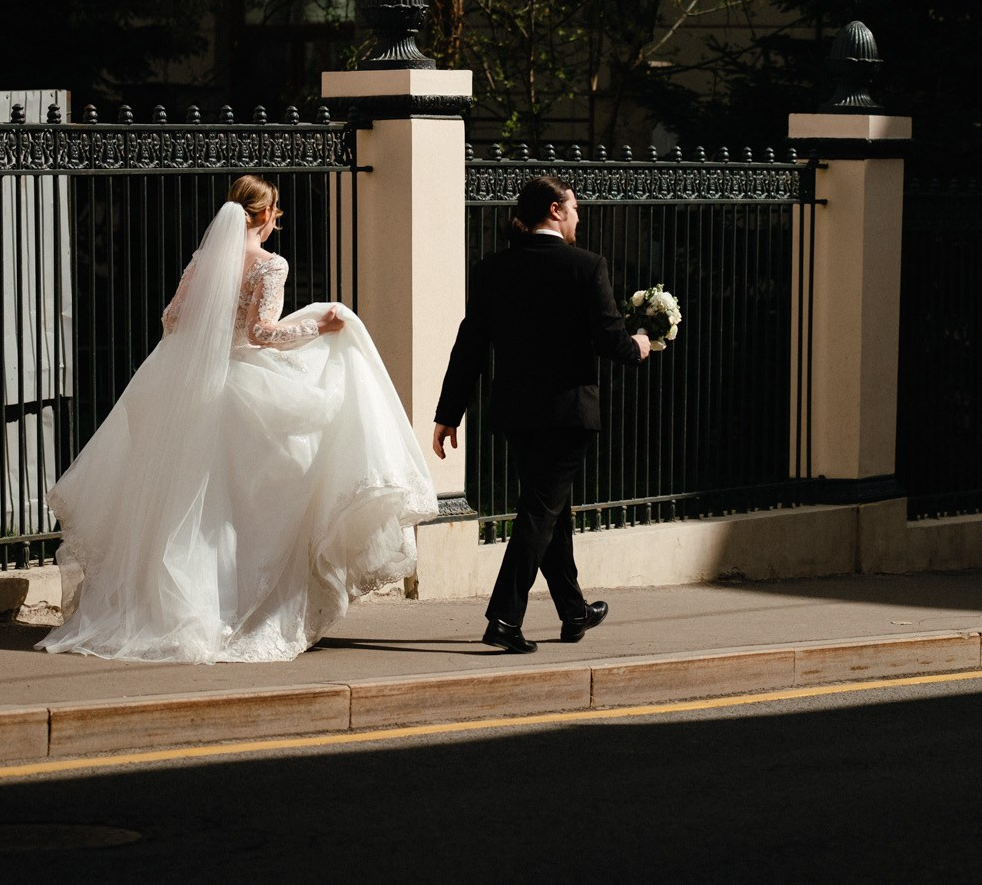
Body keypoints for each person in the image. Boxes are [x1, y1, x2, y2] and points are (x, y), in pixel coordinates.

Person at [39, 175, 438, 663]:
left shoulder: (204, 261)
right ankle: (236, 606)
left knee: (186, 505)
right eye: (277, 215)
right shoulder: (271, 266)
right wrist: (320, 326)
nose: (276, 224)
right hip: (242, 387)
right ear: (266, 215)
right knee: (245, 507)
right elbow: (262, 332)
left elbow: (171, 318)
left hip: (187, 386)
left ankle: (168, 607)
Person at [433, 174, 651, 654]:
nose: (578, 216)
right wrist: (639, 345)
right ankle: (504, 619)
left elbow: (469, 345)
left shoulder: (493, 269)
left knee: (551, 511)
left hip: (516, 412)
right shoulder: (587, 266)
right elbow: (609, 340)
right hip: (567, 414)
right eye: (573, 207)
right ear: (555, 210)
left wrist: (449, 412)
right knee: (539, 514)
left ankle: (573, 611)